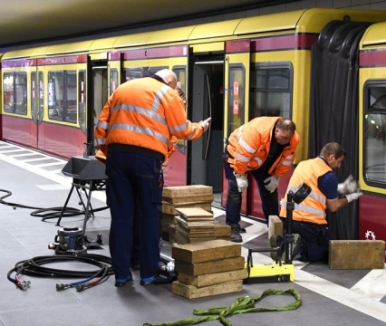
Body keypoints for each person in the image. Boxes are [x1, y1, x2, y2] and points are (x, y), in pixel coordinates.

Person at [95, 69, 210, 287]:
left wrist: (111, 155)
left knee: (120, 217)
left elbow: (101, 128)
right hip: (146, 160)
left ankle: (121, 275)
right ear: (170, 82)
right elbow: (181, 130)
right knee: (149, 216)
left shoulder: (122, 88)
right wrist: (200, 128)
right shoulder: (167, 93)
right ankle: (148, 273)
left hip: (116, 158)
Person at [278, 142, 362, 262]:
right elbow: (333, 206)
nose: (339, 166)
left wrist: (340, 188)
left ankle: (285, 243)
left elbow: (313, 187)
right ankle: (300, 248)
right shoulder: (328, 175)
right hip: (309, 224)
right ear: (331, 157)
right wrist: (350, 197)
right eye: (339, 162)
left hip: (288, 219)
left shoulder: (303, 164)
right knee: (328, 252)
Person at [224, 117, 300, 243]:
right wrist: (240, 175)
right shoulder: (256, 132)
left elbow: (287, 159)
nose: (286, 141)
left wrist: (277, 177)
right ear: (276, 131)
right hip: (236, 156)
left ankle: (274, 227)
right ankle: (233, 227)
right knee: (235, 190)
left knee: (270, 191)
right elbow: (242, 155)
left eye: (289, 138)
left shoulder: (292, 139)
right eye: (284, 138)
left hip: (259, 161)